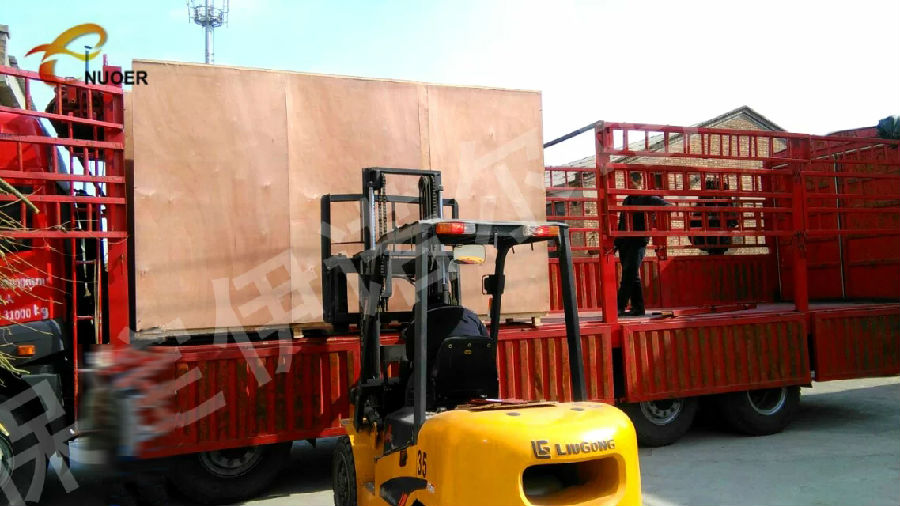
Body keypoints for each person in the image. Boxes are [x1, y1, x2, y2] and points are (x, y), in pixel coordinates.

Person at [614, 172, 671, 317]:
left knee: (629, 272)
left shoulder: (647, 197)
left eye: (630, 182)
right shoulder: (627, 200)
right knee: (632, 275)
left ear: (638, 181)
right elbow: (622, 222)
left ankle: (619, 306)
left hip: (638, 241)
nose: (628, 185)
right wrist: (616, 243)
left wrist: (655, 217)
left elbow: (665, 204)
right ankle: (638, 308)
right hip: (624, 242)